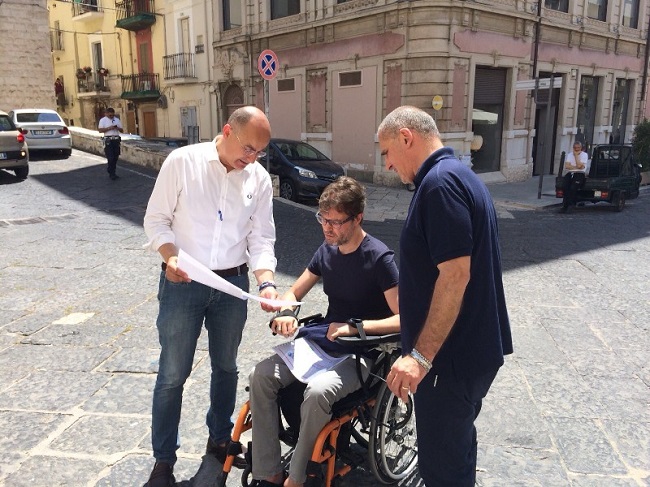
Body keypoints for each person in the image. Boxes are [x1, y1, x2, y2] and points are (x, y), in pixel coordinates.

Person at [143, 106, 280, 487]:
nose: (251, 158)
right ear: (227, 131)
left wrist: (267, 283)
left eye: (259, 152)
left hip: (232, 285)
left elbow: (261, 237)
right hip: (182, 282)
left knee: (226, 368)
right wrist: (169, 258)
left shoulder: (259, 178)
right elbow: (156, 220)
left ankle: (219, 440)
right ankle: (163, 462)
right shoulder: (182, 162)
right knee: (172, 374)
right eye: (248, 148)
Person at [377, 106, 513, 487]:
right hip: (468, 354)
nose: (387, 164)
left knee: (442, 471)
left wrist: (420, 357)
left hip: (448, 362)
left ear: (407, 138)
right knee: (456, 454)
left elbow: (455, 275)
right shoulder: (459, 176)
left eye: (387, 151)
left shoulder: (438, 185)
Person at [248, 176, 400, 487]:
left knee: (317, 392)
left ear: (357, 218)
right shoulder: (327, 250)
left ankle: (298, 477)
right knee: (260, 376)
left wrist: (354, 328)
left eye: (335, 222)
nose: (327, 228)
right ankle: (269, 472)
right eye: (322, 219)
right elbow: (294, 292)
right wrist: (287, 312)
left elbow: (405, 319)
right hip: (322, 342)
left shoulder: (379, 259)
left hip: (361, 350)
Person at [560, 141, 589, 212]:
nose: (577, 149)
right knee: (565, 187)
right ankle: (565, 205)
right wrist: (576, 167)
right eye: (575, 148)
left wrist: (576, 156)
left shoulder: (584, 155)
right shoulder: (569, 155)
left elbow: (580, 167)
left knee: (573, 188)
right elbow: (567, 166)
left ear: (581, 148)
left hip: (579, 174)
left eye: (578, 148)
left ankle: (571, 205)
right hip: (570, 173)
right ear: (573, 148)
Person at [97, 107, 124, 180]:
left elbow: (122, 130)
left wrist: (117, 128)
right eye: (110, 115)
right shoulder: (103, 120)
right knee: (110, 157)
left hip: (116, 139)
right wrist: (109, 128)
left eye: (112, 115)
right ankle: (111, 172)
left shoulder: (117, 120)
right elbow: (100, 130)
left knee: (115, 156)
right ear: (106, 114)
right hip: (108, 140)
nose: (111, 116)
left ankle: (113, 171)